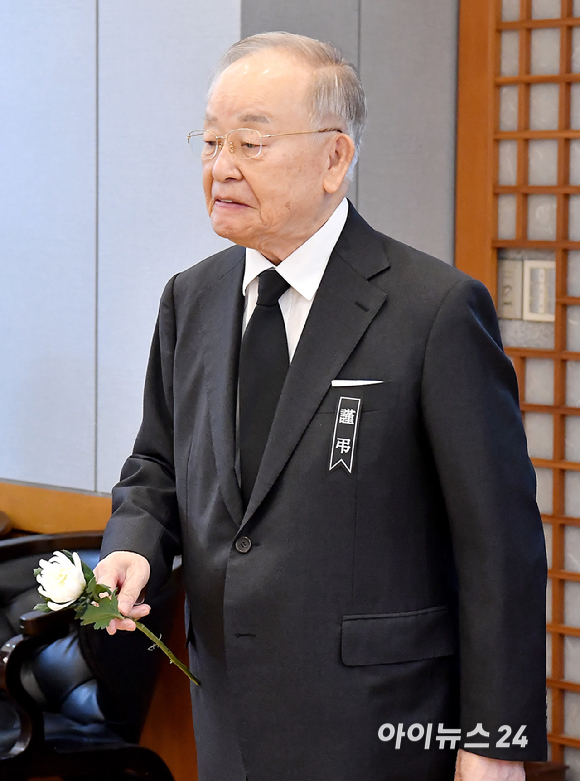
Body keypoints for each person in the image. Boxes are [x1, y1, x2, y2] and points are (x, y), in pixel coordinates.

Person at [95, 32, 547, 781]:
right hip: (228, 721)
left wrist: (494, 740)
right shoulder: (192, 298)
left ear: (335, 159)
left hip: (381, 724)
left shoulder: (432, 311)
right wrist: (133, 543)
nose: (220, 167)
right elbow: (157, 462)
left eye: (250, 142)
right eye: (209, 142)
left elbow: (500, 545)